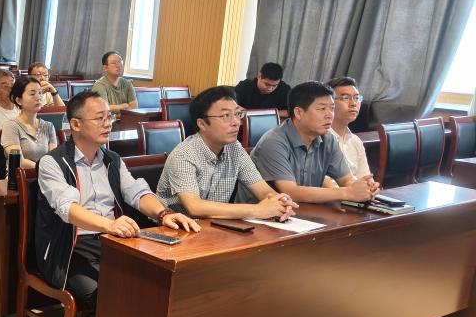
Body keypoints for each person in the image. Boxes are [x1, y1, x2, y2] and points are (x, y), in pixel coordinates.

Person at [37, 90, 199, 317]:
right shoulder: (53, 162)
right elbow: (67, 209)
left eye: (109, 116)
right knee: (105, 293)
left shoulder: (112, 159)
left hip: (111, 241)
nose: (108, 123)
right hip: (70, 247)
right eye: (99, 118)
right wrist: (108, 225)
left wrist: (163, 214)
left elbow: (136, 192)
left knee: (152, 281)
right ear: (75, 124)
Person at [156, 86, 297, 220]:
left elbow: (264, 191)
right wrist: (257, 210)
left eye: (237, 114)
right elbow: (195, 207)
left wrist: (280, 203)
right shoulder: (184, 154)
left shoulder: (234, 148)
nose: (237, 122)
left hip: (214, 226)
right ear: (202, 124)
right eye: (226, 116)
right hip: (174, 229)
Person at [250, 81, 380, 204]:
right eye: (322, 109)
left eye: (332, 108)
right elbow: (290, 192)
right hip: (261, 214)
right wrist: (347, 193)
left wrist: (363, 188)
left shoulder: (328, 140)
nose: (329, 115)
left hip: (305, 211)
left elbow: (347, 179)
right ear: (299, 113)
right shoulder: (274, 142)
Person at [1, 76, 57, 169]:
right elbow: (19, 161)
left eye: (40, 93)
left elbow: (54, 158)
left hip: (46, 175)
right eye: (32, 94)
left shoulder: (48, 126)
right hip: (20, 176)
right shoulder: (11, 126)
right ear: (19, 100)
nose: (38, 97)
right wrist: (43, 170)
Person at [327, 76, 371, 178]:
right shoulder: (319, 140)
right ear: (329, 103)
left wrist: (371, 185)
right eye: (345, 98)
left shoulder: (356, 141)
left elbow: (365, 178)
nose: (353, 103)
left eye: (357, 98)